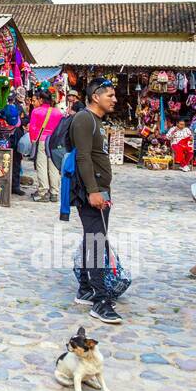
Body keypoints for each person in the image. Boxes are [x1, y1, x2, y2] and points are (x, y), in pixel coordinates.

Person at [71, 78, 122, 324]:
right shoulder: (84, 119)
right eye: (110, 95)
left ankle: (86, 288)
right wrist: (93, 191)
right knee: (97, 241)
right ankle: (100, 301)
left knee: (92, 238)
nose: (114, 99)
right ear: (95, 97)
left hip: (101, 189)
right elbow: (83, 158)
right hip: (92, 192)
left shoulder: (97, 122)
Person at [28, 90, 63, 202]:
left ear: (41, 100)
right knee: (54, 167)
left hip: (42, 141)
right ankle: (54, 193)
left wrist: (33, 140)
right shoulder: (58, 112)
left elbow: (32, 128)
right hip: (54, 141)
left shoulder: (36, 111)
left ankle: (43, 191)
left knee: (41, 165)